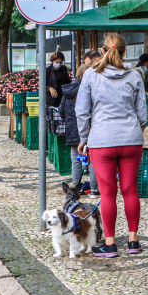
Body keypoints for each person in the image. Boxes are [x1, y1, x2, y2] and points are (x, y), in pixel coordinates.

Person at [76, 34, 148, 258]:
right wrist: (135, 130)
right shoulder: (135, 75)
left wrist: (84, 138)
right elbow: (143, 112)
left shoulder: (91, 75)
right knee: (130, 190)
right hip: (131, 139)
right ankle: (134, 240)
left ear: (102, 50)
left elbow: (82, 111)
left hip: (102, 140)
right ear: (125, 52)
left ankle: (110, 244)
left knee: (107, 193)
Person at [59, 65, 99, 197]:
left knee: (76, 159)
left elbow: (61, 110)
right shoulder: (90, 88)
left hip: (72, 129)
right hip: (89, 128)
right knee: (93, 159)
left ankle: (76, 187)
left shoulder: (68, 90)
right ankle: (93, 189)